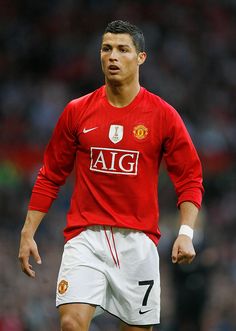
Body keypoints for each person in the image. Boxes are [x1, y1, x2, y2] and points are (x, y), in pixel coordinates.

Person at [18, 20, 204, 331]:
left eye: (122, 49)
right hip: (85, 237)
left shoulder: (162, 116)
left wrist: (186, 233)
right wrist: (27, 231)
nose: (112, 56)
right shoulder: (77, 111)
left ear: (141, 57)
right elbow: (51, 175)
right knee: (71, 323)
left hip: (139, 242)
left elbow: (189, 177)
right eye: (106, 49)